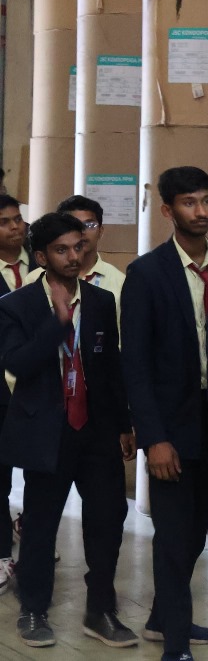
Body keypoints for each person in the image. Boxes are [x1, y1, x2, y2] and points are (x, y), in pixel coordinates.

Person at [121, 166, 208, 661]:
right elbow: (136, 365)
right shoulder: (147, 273)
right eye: (189, 203)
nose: (201, 212)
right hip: (173, 427)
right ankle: (175, 647)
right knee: (174, 538)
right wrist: (153, 437)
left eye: (206, 201)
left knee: (196, 532)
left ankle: (163, 615)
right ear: (167, 210)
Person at [0, 213, 135, 648]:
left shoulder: (100, 300)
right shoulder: (16, 305)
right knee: (41, 525)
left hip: (95, 429)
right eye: (62, 250)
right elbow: (18, 363)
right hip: (48, 431)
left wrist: (124, 424)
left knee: (107, 520)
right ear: (41, 257)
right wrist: (57, 321)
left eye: (78, 246)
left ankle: (101, 610)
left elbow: (110, 367)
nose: (74, 256)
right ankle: (34, 609)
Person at [0, 191, 24, 592]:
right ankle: (3, 553)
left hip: (41, 388)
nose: (15, 227)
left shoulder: (41, 263)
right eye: (5, 222)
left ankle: (33, 536)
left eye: (18, 219)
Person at [56, 194, 127, 307]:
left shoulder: (119, 283)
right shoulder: (36, 279)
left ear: (100, 231)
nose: (82, 231)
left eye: (89, 225)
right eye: (74, 225)